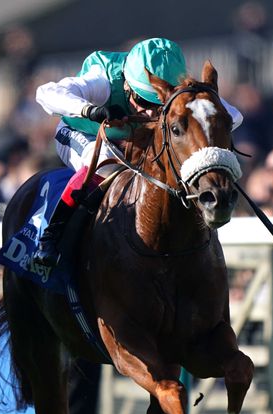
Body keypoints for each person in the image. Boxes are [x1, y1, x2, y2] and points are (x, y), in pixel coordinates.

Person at [31, 38, 243, 267]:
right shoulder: (102, 80)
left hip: (132, 140)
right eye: (143, 100)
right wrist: (90, 110)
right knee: (106, 163)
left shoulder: (179, 87)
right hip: (82, 133)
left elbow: (235, 116)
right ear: (127, 85)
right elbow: (45, 93)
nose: (151, 113)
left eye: (159, 104)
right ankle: (51, 237)